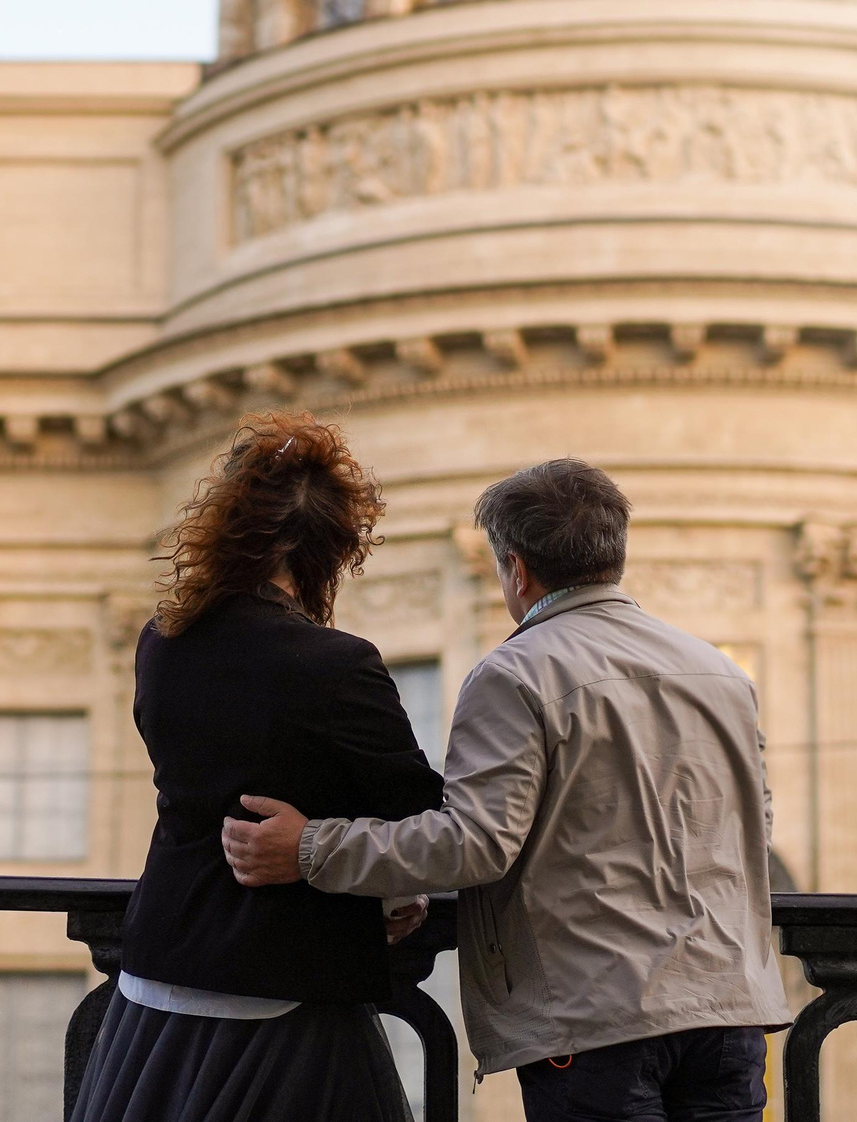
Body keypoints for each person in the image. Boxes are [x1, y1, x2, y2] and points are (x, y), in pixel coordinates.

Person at [221, 458, 790, 1122]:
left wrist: (311, 847)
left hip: (596, 1022)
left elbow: (474, 843)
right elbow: (755, 821)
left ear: (517, 569)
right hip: (726, 1010)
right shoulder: (720, 672)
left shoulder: (515, 673)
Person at [71, 412, 444, 1122]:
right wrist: (386, 889)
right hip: (281, 999)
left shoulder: (162, 642)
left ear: (224, 527)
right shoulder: (339, 664)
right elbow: (423, 819)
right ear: (333, 550)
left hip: (155, 984)